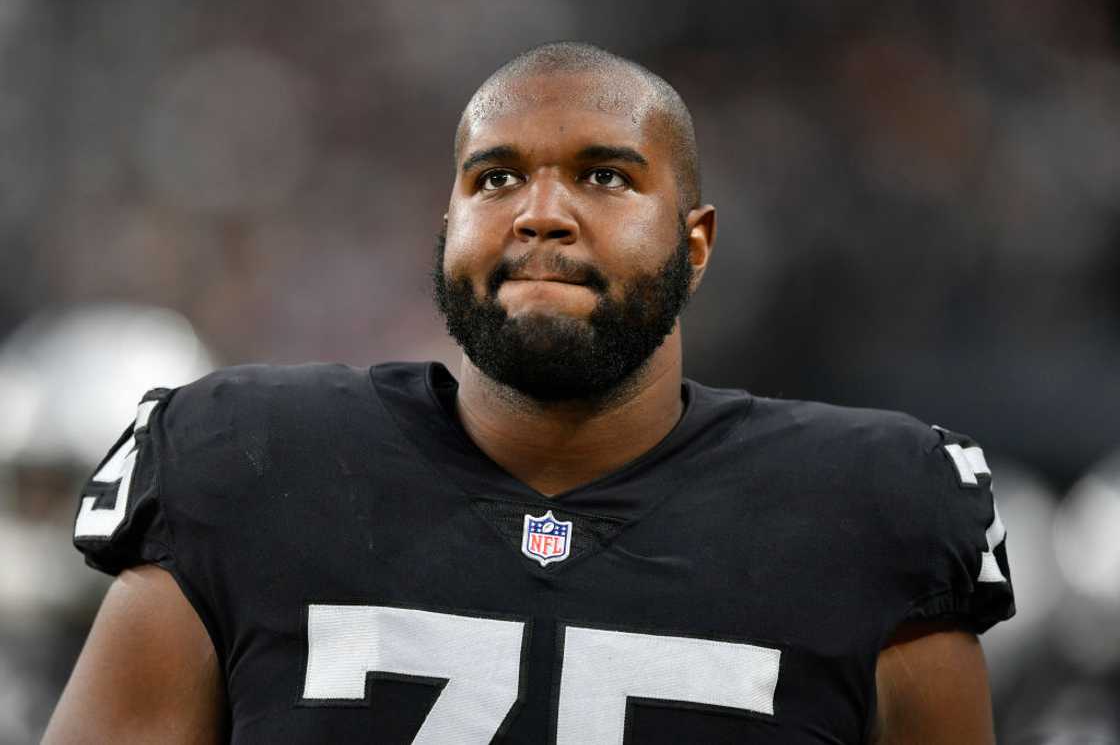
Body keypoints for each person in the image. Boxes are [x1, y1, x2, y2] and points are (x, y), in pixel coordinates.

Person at [45, 42, 1013, 744]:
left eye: (603, 176)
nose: (540, 214)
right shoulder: (242, 461)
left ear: (696, 241)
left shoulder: (874, 510)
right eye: (496, 177)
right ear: (447, 222)